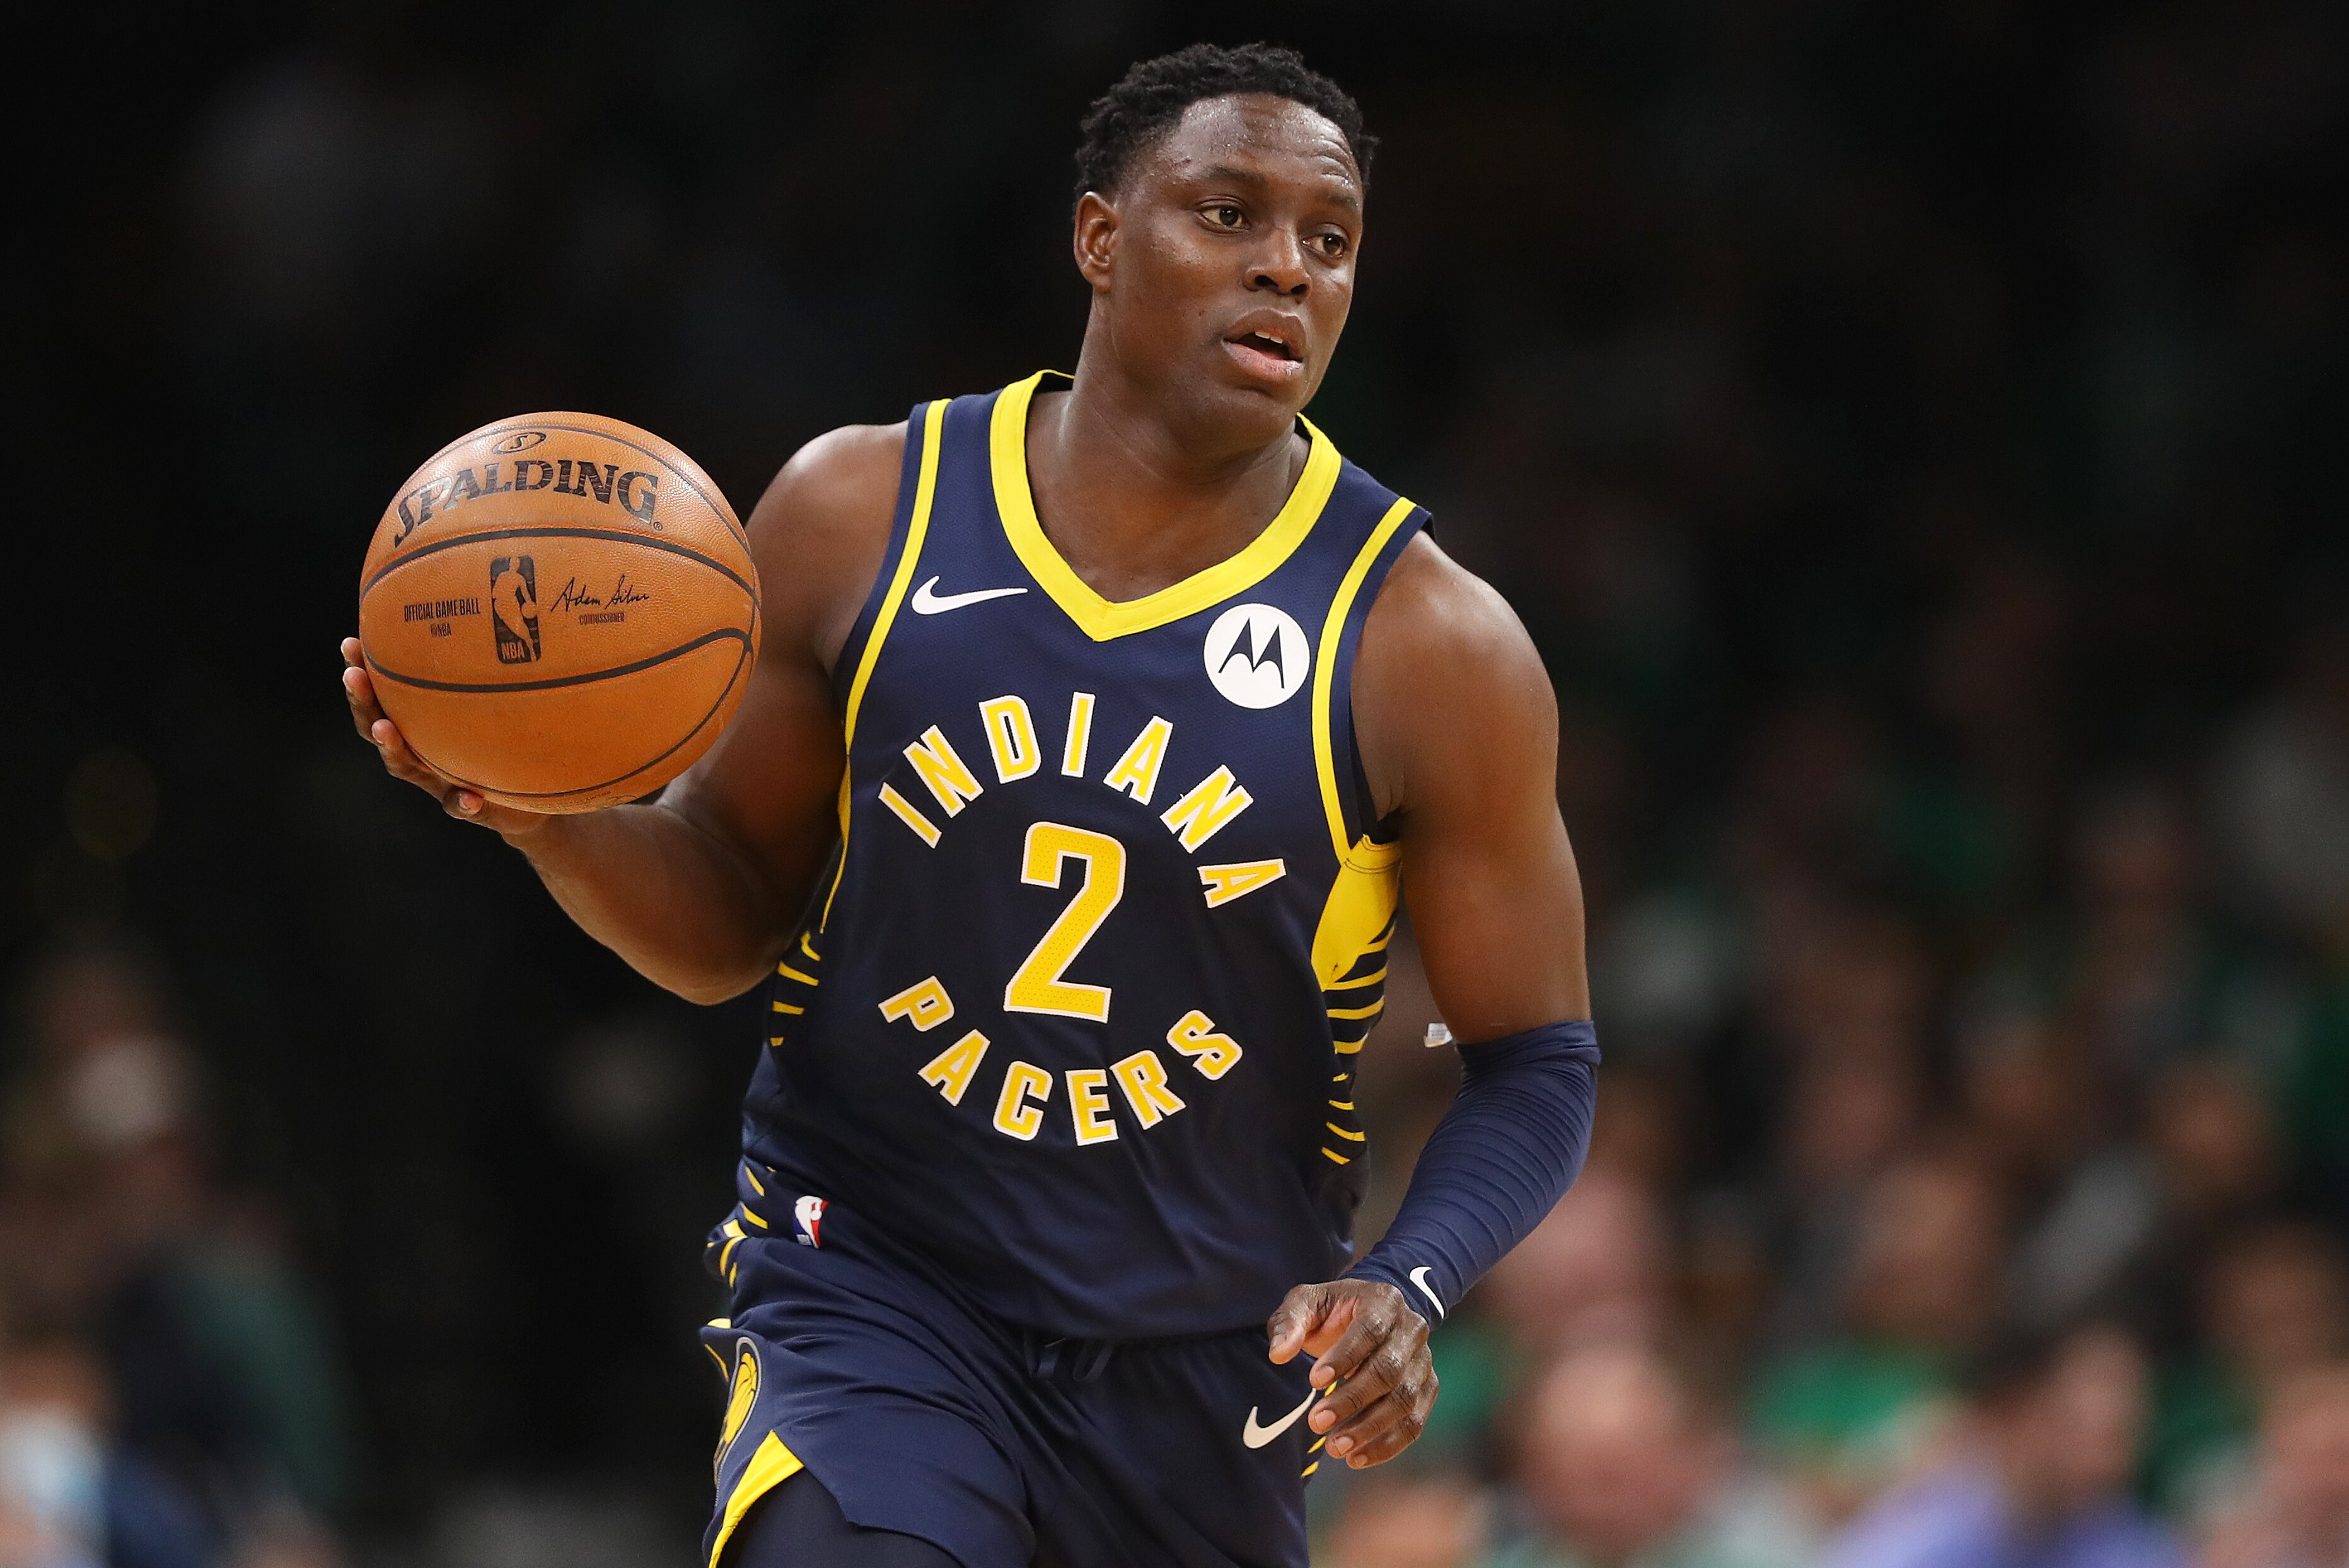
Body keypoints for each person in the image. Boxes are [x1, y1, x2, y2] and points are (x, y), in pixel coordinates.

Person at [339, 42, 1598, 1568]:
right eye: (1227, 213)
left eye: (1327, 243)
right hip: (873, 1282)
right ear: (1098, 238)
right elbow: (728, 903)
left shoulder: (1428, 643)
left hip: (1205, 1365)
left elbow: (1534, 1062)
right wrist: (546, 814)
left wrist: (1408, 1281)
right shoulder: (860, 509)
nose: (1285, 268)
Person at [1826, 1318, 2183, 1568]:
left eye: (2125, 1432)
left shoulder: (2137, 1548)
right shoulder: (1918, 1534)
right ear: (2021, 1409)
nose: (2113, 1459)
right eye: (2091, 1431)